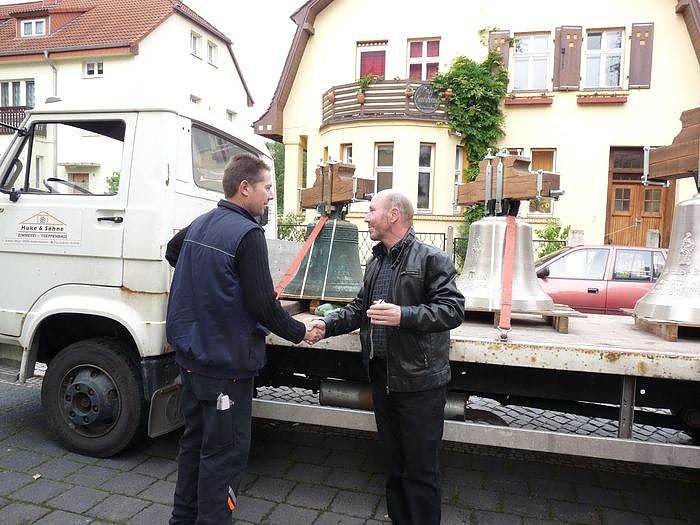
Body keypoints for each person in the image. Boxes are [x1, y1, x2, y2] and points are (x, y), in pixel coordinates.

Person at [166, 154, 318, 525]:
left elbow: (172, 251)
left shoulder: (202, 223)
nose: (270, 196)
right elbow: (263, 305)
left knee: (194, 443)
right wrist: (300, 331)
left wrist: (209, 286)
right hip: (226, 367)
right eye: (267, 187)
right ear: (245, 188)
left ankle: (181, 519)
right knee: (224, 454)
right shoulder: (248, 234)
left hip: (191, 361)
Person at [307, 189, 465, 525]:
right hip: (383, 376)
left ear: (393, 215)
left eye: (372, 210)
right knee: (394, 464)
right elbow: (359, 309)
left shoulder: (431, 258)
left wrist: (403, 315)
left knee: (420, 470)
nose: (366, 217)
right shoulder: (376, 261)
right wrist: (327, 324)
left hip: (419, 382)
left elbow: (452, 310)